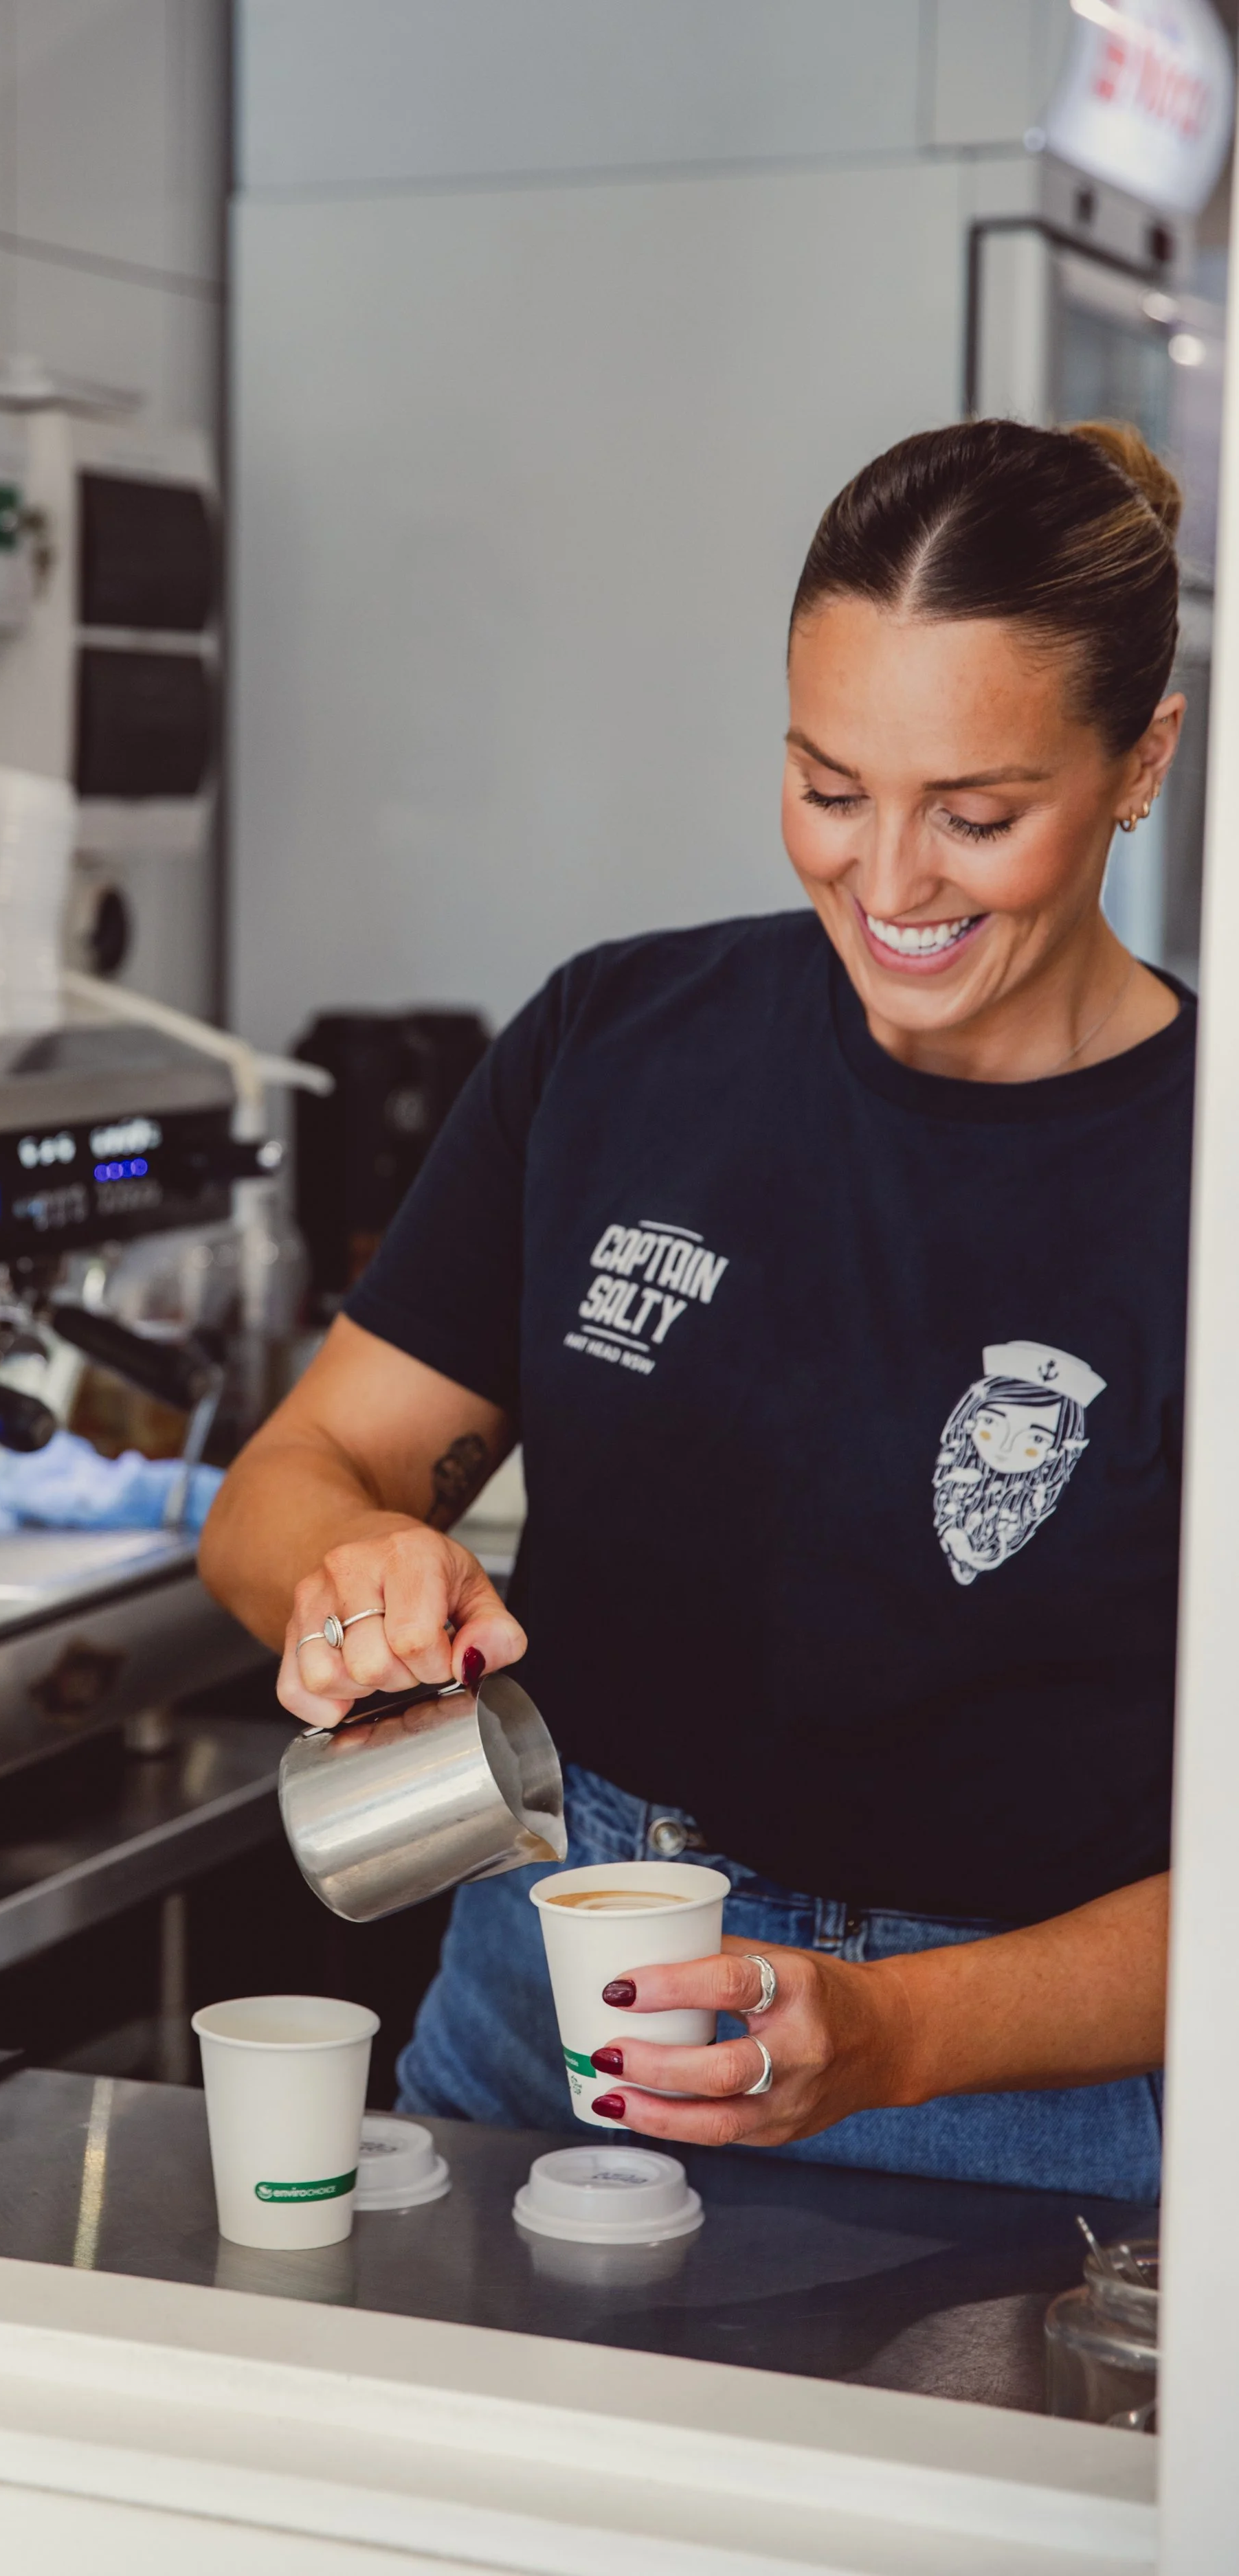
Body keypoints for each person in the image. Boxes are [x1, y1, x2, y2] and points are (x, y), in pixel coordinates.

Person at [199, 418, 1192, 2199]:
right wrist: (348, 1572)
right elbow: (305, 1467)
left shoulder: (1201, 1171)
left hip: (1008, 2090)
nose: (884, 886)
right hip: (548, 1991)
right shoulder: (617, 1045)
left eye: (975, 815)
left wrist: (893, 2034)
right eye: (827, 788)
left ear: (1140, 764)